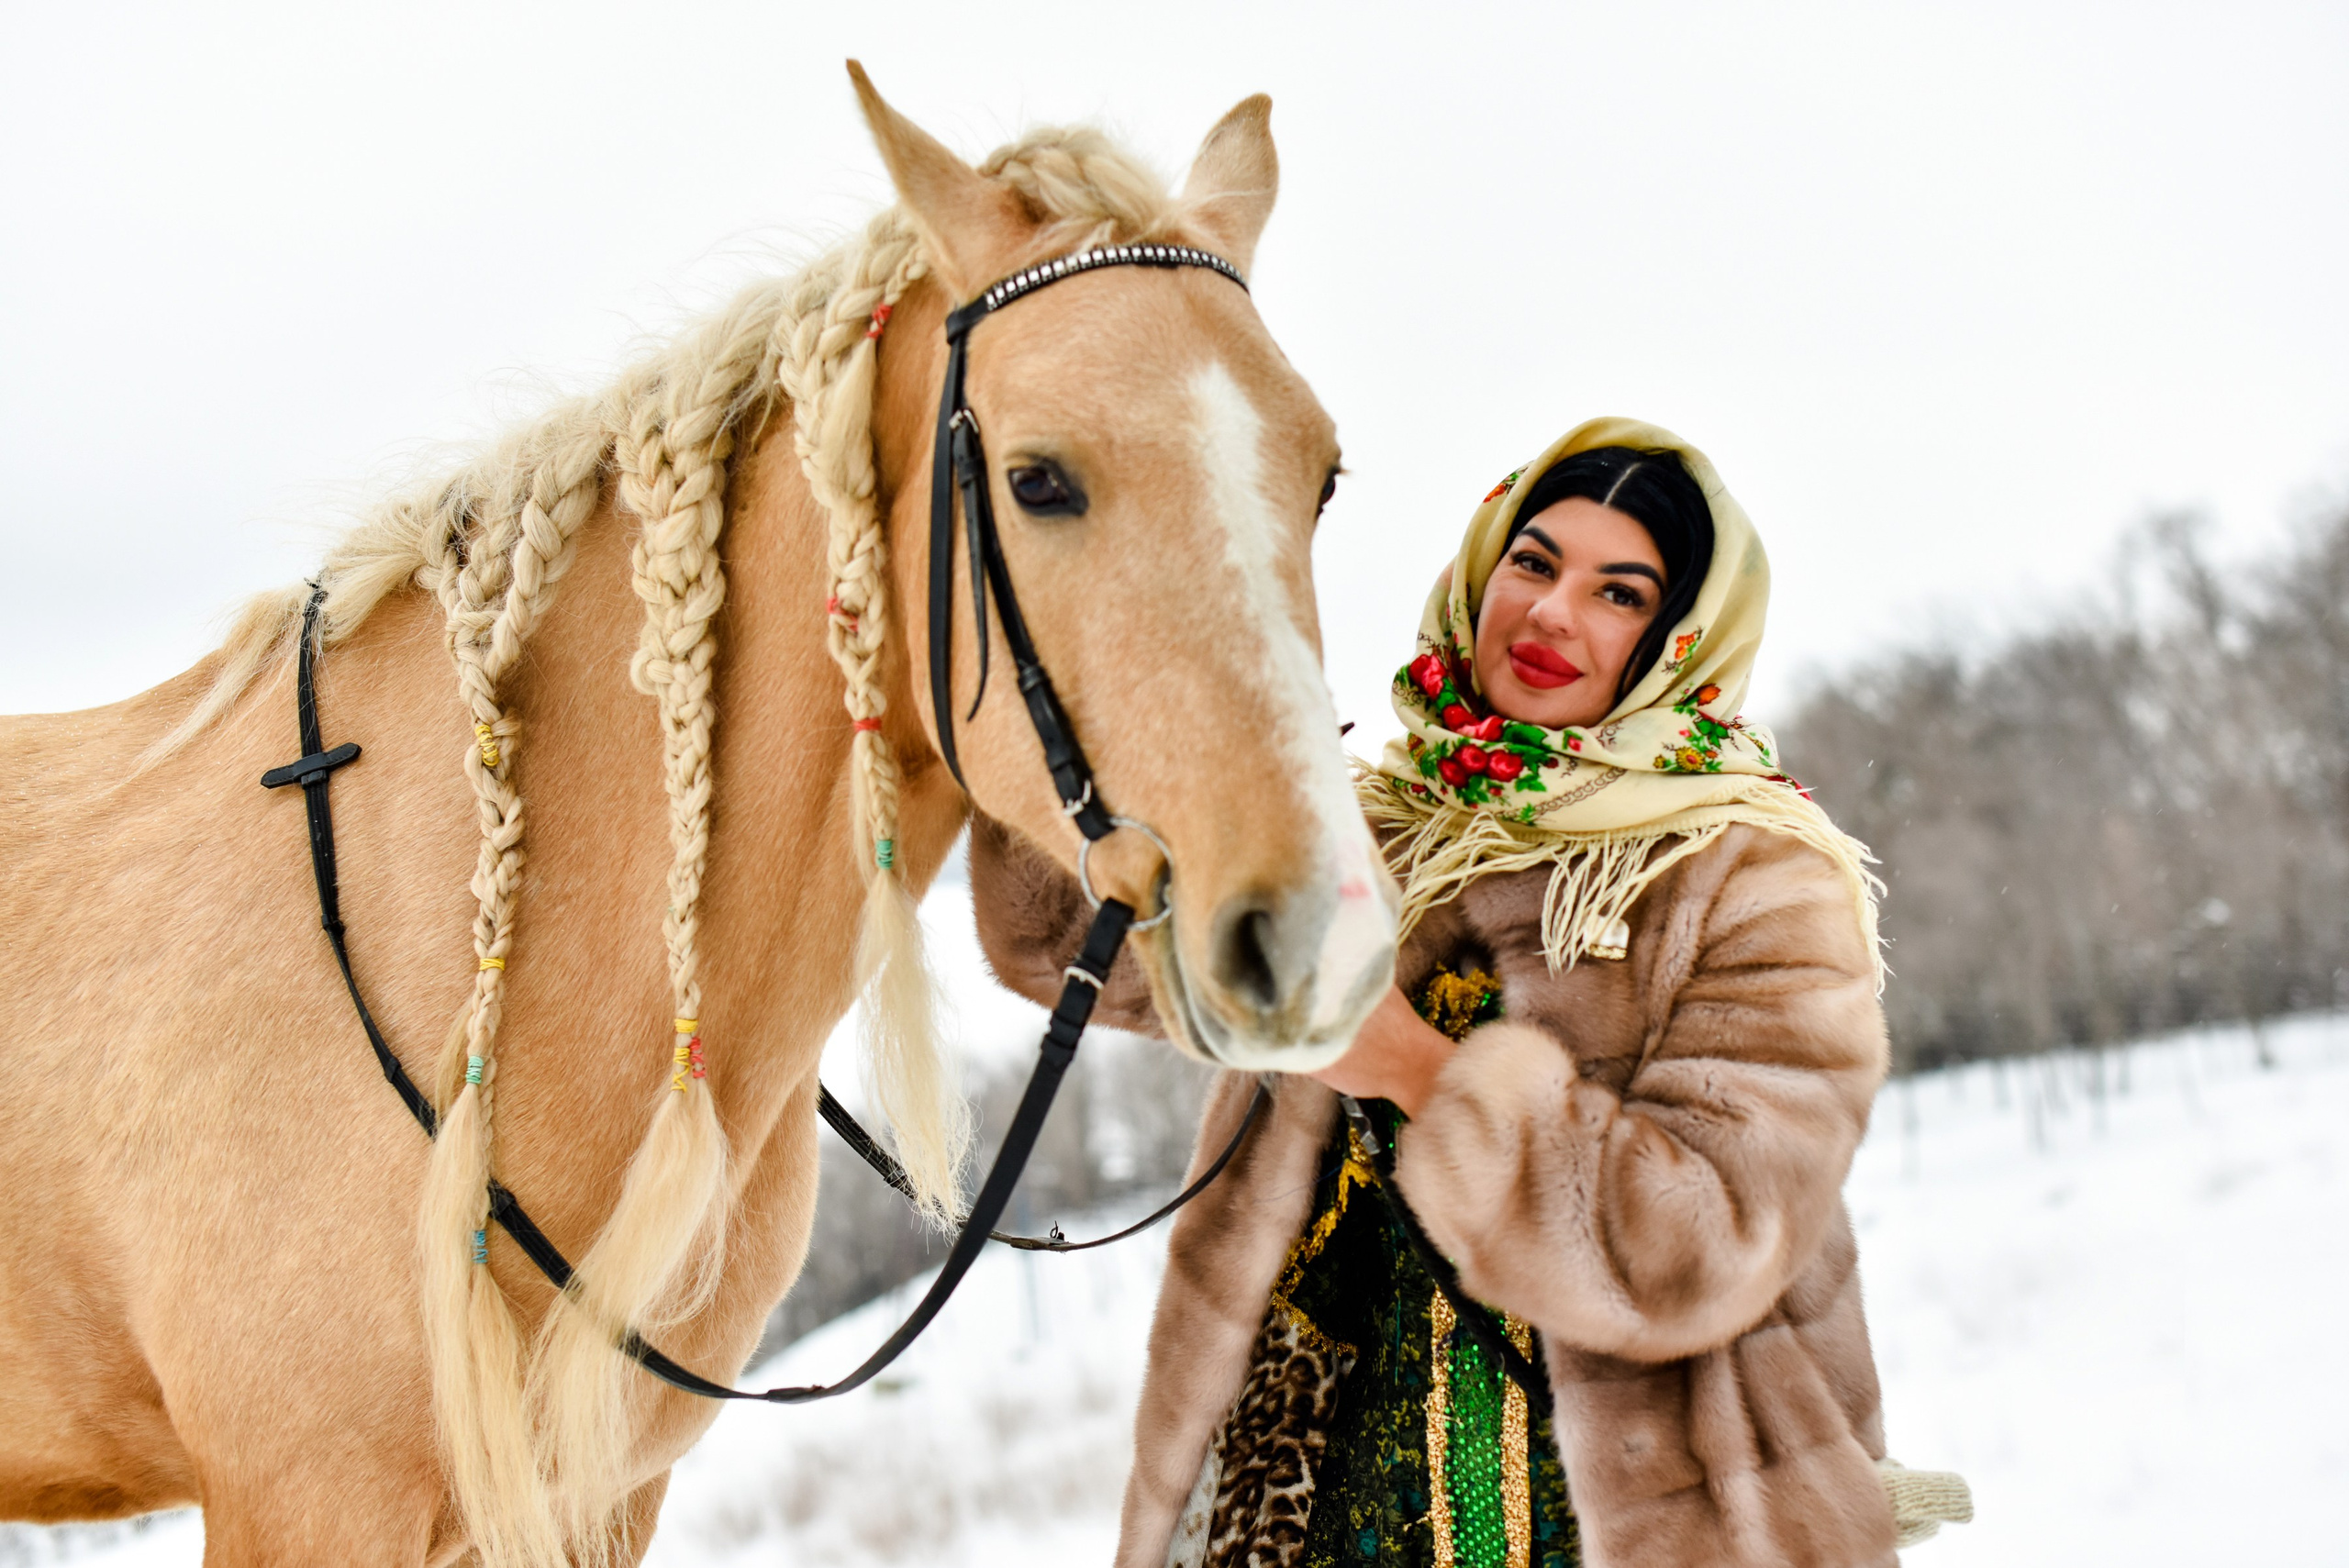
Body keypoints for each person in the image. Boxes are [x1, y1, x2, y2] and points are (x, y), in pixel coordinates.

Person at [972, 417, 1970, 1568]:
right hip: (1321, 1504)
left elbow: (1704, 1240)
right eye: (1534, 562)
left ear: (1676, 638)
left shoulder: (1750, 875)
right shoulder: (1370, 837)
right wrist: (1066, 663)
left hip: (1643, 1520)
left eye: (1619, 592)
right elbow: (1074, 948)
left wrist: (1413, 1067)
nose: (1552, 611)